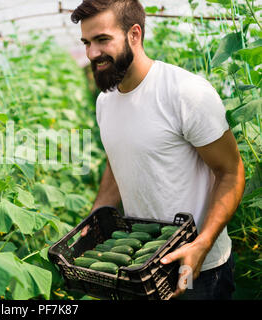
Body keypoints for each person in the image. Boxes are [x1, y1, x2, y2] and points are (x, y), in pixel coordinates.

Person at [72, 0, 246, 299]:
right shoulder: (106, 102)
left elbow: (231, 172)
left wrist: (202, 243)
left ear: (134, 35)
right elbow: (118, 162)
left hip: (195, 270)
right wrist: (97, 216)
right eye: (86, 42)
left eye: (102, 40)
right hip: (143, 268)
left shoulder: (184, 93)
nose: (91, 53)